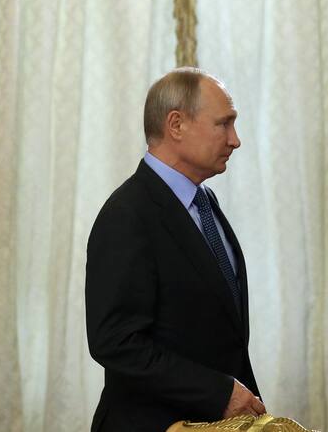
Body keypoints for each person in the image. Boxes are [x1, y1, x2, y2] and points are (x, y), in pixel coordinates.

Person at [86, 67, 265, 432]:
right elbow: (116, 342)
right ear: (176, 125)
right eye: (224, 124)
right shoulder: (127, 213)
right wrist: (219, 392)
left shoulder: (205, 201)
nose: (235, 140)